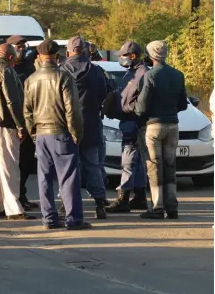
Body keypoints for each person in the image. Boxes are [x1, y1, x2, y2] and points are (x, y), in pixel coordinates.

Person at [23, 39, 91, 230]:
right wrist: (76, 134)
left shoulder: (31, 79)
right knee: (68, 177)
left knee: (44, 178)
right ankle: (73, 219)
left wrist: (34, 134)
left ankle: (49, 219)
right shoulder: (64, 77)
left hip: (41, 135)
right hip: (61, 132)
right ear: (58, 56)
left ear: (39, 57)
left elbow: (27, 112)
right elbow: (73, 110)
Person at [0, 43, 36, 221]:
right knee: (9, 165)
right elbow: (13, 102)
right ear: (10, 58)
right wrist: (20, 125)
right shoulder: (7, 71)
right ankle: (14, 209)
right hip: (4, 122)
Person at [135, 40, 188, 219]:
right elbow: (183, 104)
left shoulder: (150, 76)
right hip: (173, 126)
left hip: (154, 127)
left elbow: (141, 107)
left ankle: (157, 208)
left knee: (154, 167)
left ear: (151, 56)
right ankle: (172, 208)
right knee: (170, 165)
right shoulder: (178, 75)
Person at [60, 36, 108, 219]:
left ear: (68, 52)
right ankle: (99, 202)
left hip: (66, 124)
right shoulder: (96, 71)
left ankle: (66, 204)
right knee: (93, 165)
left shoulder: (61, 71)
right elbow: (104, 93)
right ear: (86, 51)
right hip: (91, 123)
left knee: (68, 166)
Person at [106, 41, 149, 213]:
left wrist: (124, 110)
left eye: (123, 56)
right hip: (127, 122)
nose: (121, 59)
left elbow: (142, 104)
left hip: (136, 123)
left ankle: (123, 199)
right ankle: (139, 197)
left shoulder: (143, 73)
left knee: (128, 162)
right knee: (136, 163)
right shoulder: (131, 73)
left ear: (132, 56)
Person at [6, 35, 38, 211]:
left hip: (29, 121)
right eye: (18, 46)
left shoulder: (29, 66)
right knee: (12, 162)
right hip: (11, 122)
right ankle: (13, 197)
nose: (21, 48)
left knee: (26, 162)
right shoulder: (5, 68)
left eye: (23, 45)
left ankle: (22, 194)